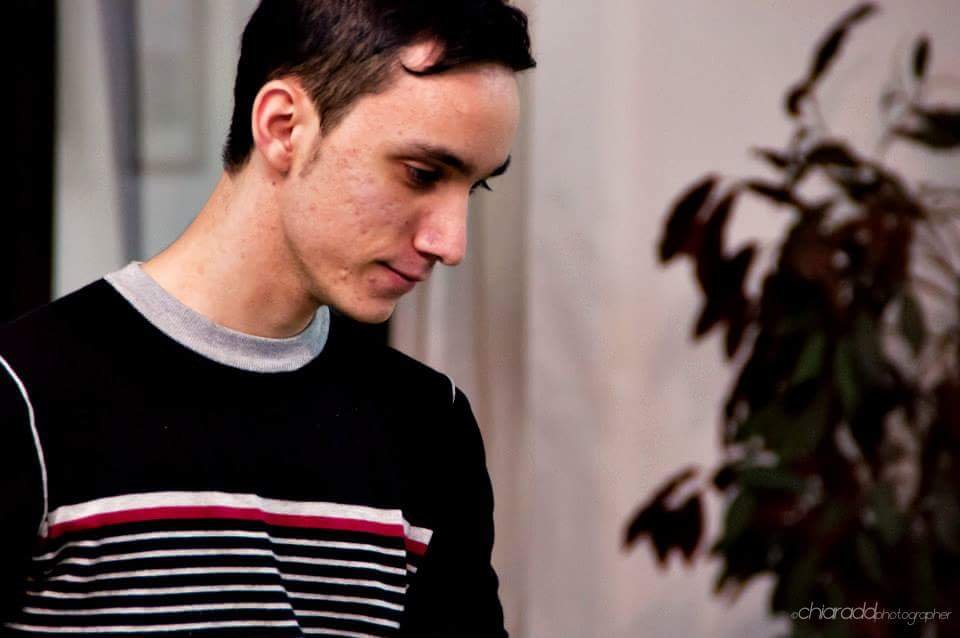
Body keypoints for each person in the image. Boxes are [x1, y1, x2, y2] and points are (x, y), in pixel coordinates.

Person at [0, 1, 535, 635]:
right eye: (421, 174)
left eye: (474, 187)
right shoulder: (23, 393)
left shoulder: (429, 424)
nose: (451, 242)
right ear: (283, 127)